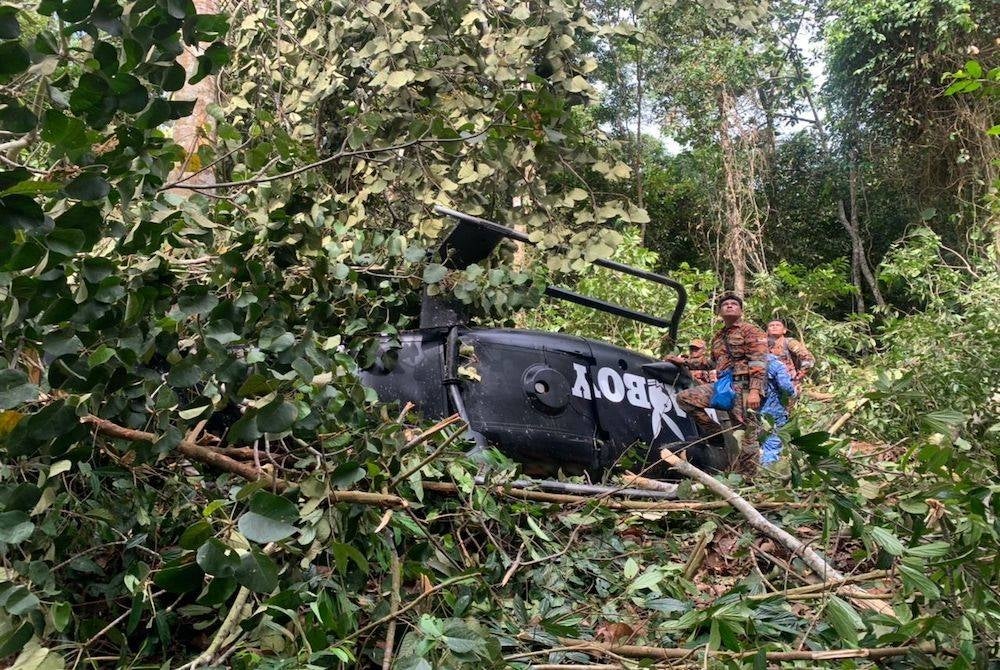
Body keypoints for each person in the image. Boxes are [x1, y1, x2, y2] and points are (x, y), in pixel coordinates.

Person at [666, 292, 768, 473]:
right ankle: (717, 435)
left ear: (741, 310)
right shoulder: (718, 336)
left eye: (734, 304)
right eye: (725, 304)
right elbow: (711, 363)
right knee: (685, 398)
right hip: (723, 387)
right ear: (719, 312)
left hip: (745, 386)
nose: (729, 306)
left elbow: (758, 361)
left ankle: (749, 477)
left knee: (747, 434)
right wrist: (684, 362)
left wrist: (755, 390)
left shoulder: (751, 331)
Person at [760, 353, 796, 465]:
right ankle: (767, 471)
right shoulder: (776, 365)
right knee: (772, 440)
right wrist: (794, 392)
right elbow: (786, 387)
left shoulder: (746, 363)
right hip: (773, 409)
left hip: (750, 409)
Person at [766, 320, 815, 393]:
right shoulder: (762, 345)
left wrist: (800, 374)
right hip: (769, 383)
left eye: (778, 325)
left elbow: (808, 358)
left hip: (789, 380)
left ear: (784, 330)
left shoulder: (789, 342)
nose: (774, 327)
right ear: (767, 331)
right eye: (771, 325)